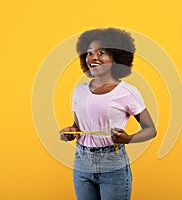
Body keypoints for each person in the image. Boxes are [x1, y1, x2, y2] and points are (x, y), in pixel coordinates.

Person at [59, 27, 156, 200]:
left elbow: (150, 129)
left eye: (101, 53)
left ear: (116, 57)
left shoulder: (127, 92)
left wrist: (128, 138)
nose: (93, 57)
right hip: (82, 162)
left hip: (112, 162)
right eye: (89, 53)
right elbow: (77, 126)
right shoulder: (79, 90)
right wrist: (71, 132)